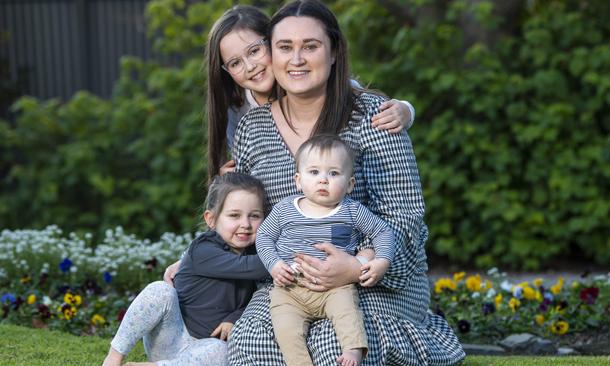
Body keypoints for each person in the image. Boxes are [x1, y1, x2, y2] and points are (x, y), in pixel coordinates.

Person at [228, 1, 466, 365]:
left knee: (334, 346)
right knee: (254, 345)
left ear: (334, 50)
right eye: (285, 47)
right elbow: (250, 218)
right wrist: (196, 257)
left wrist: (358, 267)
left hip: (375, 278)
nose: (297, 59)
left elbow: (405, 217)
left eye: (311, 46)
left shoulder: (375, 117)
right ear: (271, 54)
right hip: (292, 284)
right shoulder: (253, 128)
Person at [204, 5, 417, 180]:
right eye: (235, 63)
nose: (250, 66)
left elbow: (364, 101)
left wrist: (406, 110)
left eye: (254, 51)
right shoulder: (241, 116)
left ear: (273, 42)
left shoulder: (318, 85)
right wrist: (232, 183)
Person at [102, 173, 269, 366]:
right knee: (160, 291)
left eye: (254, 216)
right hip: (171, 337)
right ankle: (114, 357)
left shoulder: (253, 254)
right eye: (234, 215)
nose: (246, 225)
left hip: (202, 351)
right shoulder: (203, 249)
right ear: (211, 219)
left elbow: (249, 302)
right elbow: (247, 268)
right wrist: (285, 256)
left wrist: (233, 318)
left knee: (221, 351)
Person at [256, 134, 395, 366]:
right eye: (314, 172)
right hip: (291, 288)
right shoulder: (285, 209)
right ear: (298, 180)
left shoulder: (352, 210)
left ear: (350, 184)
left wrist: (382, 260)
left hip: (335, 287)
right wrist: (274, 264)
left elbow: (383, 232)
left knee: (347, 313)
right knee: (285, 329)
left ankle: (353, 350)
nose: (323, 180)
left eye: (333, 173)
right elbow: (264, 236)